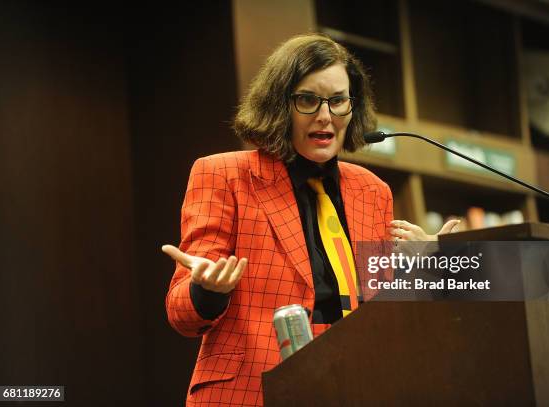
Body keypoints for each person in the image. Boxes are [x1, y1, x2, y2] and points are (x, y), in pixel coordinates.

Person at [162, 34, 458, 407]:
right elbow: (181, 314)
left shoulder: (372, 191)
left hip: (354, 389)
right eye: (307, 100)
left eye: (337, 101)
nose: (324, 116)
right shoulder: (223, 175)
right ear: (279, 104)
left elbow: (381, 317)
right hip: (251, 394)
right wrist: (206, 291)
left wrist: (426, 268)